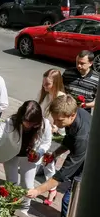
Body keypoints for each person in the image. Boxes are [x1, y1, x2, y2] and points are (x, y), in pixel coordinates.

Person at [27, 95, 91, 217]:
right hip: (82, 160)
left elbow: (62, 174)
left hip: (87, 171)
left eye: (59, 120)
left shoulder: (82, 137)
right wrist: (55, 154)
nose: (56, 123)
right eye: (54, 118)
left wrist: (38, 190)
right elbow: (68, 141)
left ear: (71, 115)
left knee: (68, 208)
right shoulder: (75, 117)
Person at [0, 101, 52, 214]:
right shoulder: (10, 122)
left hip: (30, 157)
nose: (29, 125)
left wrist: (39, 153)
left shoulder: (45, 124)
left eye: (32, 123)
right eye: (26, 122)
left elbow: (46, 143)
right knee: (12, 183)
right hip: (11, 153)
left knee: (28, 185)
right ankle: (10, 209)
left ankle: (23, 211)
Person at [37, 68, 66, 206]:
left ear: (56, 83)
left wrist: (57, 127)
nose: (44, 86)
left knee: (49, 160)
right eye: (43, 83)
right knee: (42, 159)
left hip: (57, 136)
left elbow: (65, 121)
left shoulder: (61, 98)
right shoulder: (46, 94)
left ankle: (52, 189)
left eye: (47, 84)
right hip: (44, 132)